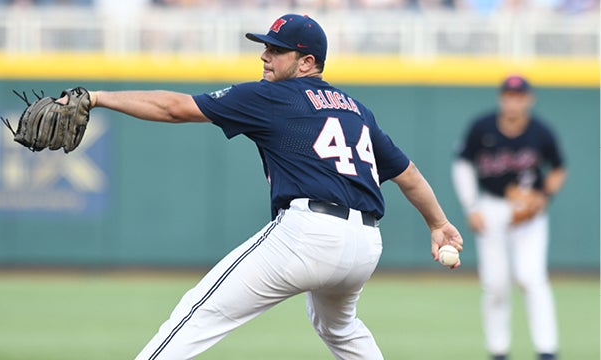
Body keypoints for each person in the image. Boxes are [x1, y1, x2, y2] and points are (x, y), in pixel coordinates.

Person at [63, 14, 463, 359]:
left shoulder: (272, 96)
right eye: (266, 47)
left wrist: (98, 97)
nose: (264, 56)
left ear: (307, 62)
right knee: (340, 329)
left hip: (309, 234)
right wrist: (438, 223)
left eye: (276, 50)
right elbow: (407, 174)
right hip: (364, 245)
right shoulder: (356, 109)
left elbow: (174, 108)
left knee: (197, 314)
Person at [451, 75, 567, 360]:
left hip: (529, 215)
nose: (513, 100)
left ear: (529, 99)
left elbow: (558, 168)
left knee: (531, 277)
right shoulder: (483, 127)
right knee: (495, 283)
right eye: (508, 95)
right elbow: (463, 165)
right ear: (501, 97)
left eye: (518, 95)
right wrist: (471, 207)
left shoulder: (540, 131)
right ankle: (499, 351)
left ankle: (546, 350)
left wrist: (542, 198)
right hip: (491, 207)